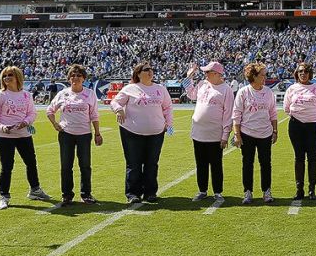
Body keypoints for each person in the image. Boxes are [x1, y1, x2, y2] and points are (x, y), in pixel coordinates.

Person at [0, 66, 53, 209]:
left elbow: (32, 113)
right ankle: (4, 196)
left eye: (10, 75)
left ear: (18, 76)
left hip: (24, 135)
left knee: (31, 163)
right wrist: (2, 127)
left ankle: (35, 190)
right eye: (4, 76)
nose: (7, 78)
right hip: (4, 137)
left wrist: (26, 122)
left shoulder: (26, 95)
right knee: (7, 167)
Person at [111, 61, 174, 204]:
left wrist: (169, 127)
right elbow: (115, 102)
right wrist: (118, 110)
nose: (150, 71)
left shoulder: (160, 89)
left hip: (157, 132)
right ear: (138, 73)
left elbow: (168, 108)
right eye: (146, 69)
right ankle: (133, 194)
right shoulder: (130, 88)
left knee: (152, 163)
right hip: (132, 132)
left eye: (151, 69)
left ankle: (150, 192)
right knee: (133, 163)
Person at [47, 64, 101, 205]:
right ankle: (67, 195)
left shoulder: (90, 94)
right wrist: (55, 124)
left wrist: (97, 133)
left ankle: (86, 194)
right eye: (72, 75)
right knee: (66, 166)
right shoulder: (62, 94)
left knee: (85, 165)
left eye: (78, 75)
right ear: (69, 78)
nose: (75, 78)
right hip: (66, 134)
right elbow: (50, 111)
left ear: (83, 78)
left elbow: (94, 115)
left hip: (84, 134)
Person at [182, 61, 233, 202]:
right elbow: (190, 94)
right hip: (198, 133)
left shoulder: (226, 90)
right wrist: (189, 76)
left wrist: (225, 135)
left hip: (215, 134)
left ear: (216, 74)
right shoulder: (202, 85)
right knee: (201, 164)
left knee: (216, 164)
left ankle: (217, 192)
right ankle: (202, 190)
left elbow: (228, 114)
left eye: (207, 72)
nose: (205, 74)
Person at [232, 62, 279, 204]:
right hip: (247, 133)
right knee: (247, 163)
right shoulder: (243, 92)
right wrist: (237, 134)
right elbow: (236, 114)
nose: (265, 77)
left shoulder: (268, 92)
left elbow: (273, 113)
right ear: (254, 76)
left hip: (265, 133)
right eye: (263, 75)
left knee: (266, 163)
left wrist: (275, 131)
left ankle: (266, 191)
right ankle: (247, 192)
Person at [283, 61, 316, 201]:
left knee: (312, 157)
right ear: (297, 73)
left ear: (310, 74)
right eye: (300, 71)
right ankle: (299, 189)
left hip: (313, 126)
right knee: (299, 157)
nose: (303, 74)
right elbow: (286, 107)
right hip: (296, 126)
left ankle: (312, 189)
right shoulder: (292, 89)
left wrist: (309, 115)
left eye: (306, 72)